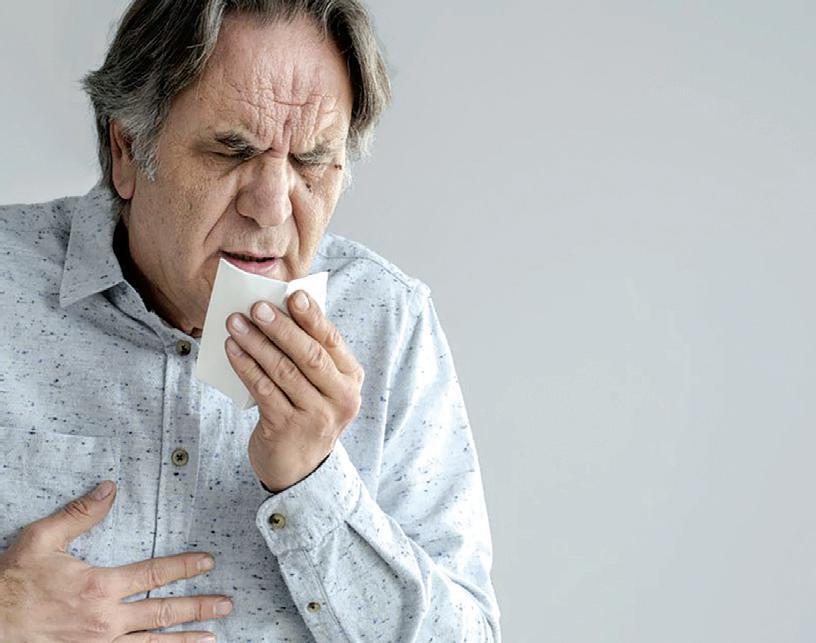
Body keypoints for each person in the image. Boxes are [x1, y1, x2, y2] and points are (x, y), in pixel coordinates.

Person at [0, 1, 501, 641]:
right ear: (126, 149)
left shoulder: (389, 320)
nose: (272, 209)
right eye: (231, 151)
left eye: (311, 160)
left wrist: (315, 481)